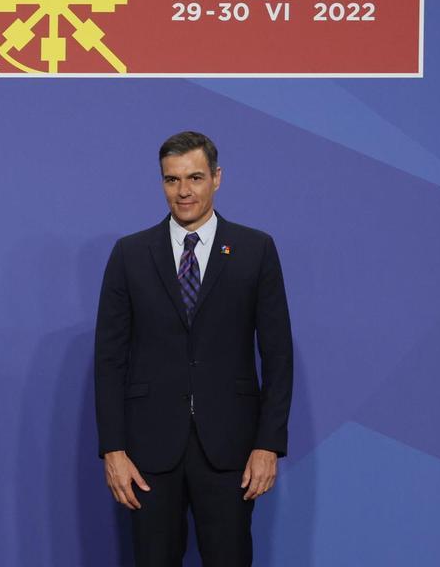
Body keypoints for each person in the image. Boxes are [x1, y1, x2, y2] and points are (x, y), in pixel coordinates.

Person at [94, 131, 294, 566]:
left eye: (195, 178)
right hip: (148, 455)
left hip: (231, 452)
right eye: (172, 180)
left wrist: (268, 444)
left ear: (217, 178)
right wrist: (113, 450)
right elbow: (109, 361)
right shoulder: (130, 254)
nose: (183, 191)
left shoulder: (255, 250)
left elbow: (278, 356)